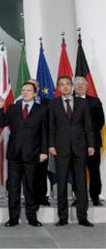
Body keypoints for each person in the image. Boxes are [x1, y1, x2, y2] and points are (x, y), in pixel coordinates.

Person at [0, 82, 48, 227]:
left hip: (33, 154)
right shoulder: (13, 108)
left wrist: (44, 151)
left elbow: (45, 132)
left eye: (28, 90)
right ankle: (13, 218)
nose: (25, 92)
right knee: (13, 188)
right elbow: (1, 123)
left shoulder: (42, 109)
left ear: (35, 93)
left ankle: (32, 217)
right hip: (14, 154)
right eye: (23, 90)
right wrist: (0, 108)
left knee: (31, 187)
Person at [49, 75, 95, 227]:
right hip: (60, 148)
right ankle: (62, 218)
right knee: (61, 183)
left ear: (72, 86)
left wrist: (91, 145)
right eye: (61, 85)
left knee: (81, 183)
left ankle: (83, 217)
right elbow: (51, 127)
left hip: (80, 148)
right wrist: (51, 145)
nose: (65, 87)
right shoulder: (53, 104)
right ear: (58, 87)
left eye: (67, 84)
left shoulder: (82, 103)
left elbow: (88, 126)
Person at [74, 76, 104, 206]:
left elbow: (100, 121)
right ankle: (79, 197)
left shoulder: (95, 101)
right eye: (77, 84)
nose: (80, 86)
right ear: (73, 87)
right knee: (77, 171)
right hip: (75, 143)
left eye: (82, 84)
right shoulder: (70, 102)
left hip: (93, 143)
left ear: (87, 87)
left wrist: (88, 136)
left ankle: (95, 196)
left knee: (94, 170)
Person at [27, 79, 51, 206]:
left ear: (38, 89)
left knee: (42, 172)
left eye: (34, 86)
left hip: (42, 143)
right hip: (27, 146)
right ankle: (30, 198)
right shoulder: (20, 103)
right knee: (28, 173)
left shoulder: (48, 103)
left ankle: (42, 197)